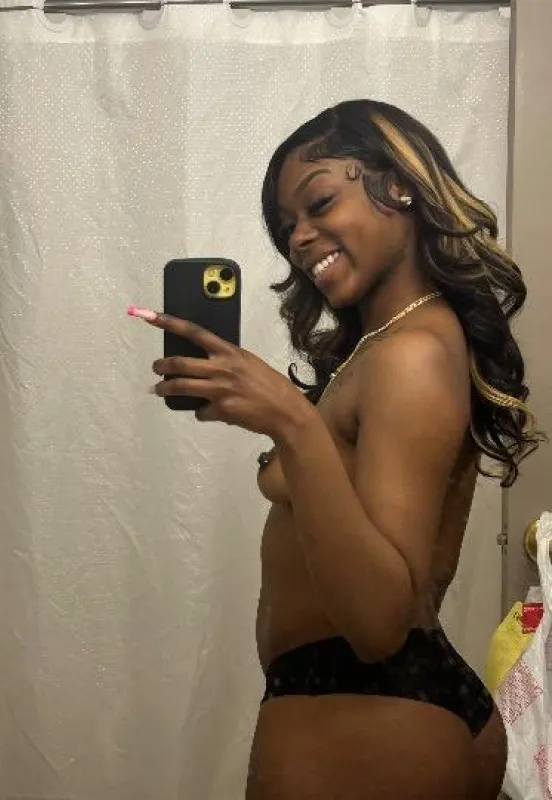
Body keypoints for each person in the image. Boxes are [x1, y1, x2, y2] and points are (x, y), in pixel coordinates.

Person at [134, 100, 541, 799]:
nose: (299, 237)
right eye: (287, 224)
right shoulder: (386, 348)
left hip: (367, 712)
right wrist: (283, 424)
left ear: (400, 184)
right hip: (379, 710)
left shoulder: (412, 353)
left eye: (319, 202)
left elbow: (379, 623)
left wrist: (292, 423)